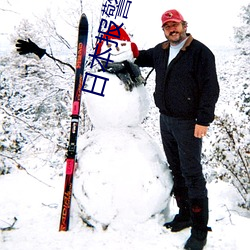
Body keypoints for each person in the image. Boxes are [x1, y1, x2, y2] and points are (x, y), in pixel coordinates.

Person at [135, 9, 219, 250]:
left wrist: (203, 120)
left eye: (175, 24)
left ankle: (200, 231)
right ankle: (185, 214)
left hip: (189, 123)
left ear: (184, 24)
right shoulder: (161, 51)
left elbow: (210, 88)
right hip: (166, 120)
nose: (172, 29)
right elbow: (141, 57)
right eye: (167, 26)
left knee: (192, 173)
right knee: (177, 169)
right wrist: (128, 49)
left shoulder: (200, 52)